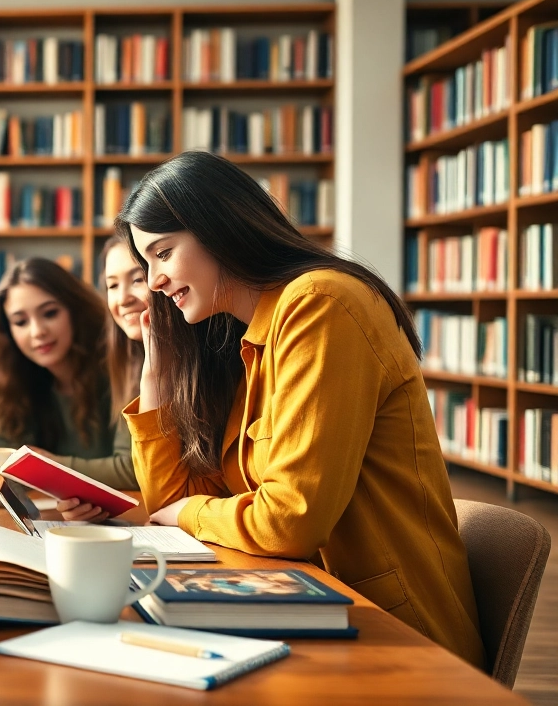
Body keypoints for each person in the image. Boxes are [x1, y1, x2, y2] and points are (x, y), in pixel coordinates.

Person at [60, 151, 485, 667]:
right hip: (306, 610)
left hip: (395, 636)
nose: (152, 282)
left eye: (163, 253)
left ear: (218, 229)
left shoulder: (320, 304)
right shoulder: (244, 339)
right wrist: (156, 383)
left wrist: (187, 513)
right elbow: (175, 501)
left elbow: (289, 520)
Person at [0, 256, 137, 490]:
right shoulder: (13, 379)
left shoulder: (125, 365)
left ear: (74, 310)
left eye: (50, 313)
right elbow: (2, 465)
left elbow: (133, 470)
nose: (37, 332)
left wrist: (51, 466)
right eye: (21, 321)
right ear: (8, 331)